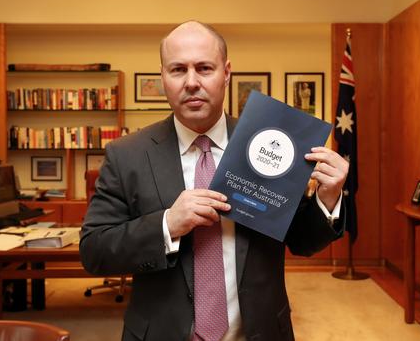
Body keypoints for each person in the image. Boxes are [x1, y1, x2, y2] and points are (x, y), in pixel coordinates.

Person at [80, 21, 349, 341]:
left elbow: (302, 241)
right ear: (163, 77)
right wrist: (167, 225)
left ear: (226, 72)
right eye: (178, 69)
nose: (191, 82)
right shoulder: (126, 155)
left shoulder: (266, 143)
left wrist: (327, 198)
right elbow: (95, 250)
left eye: (204, 68)